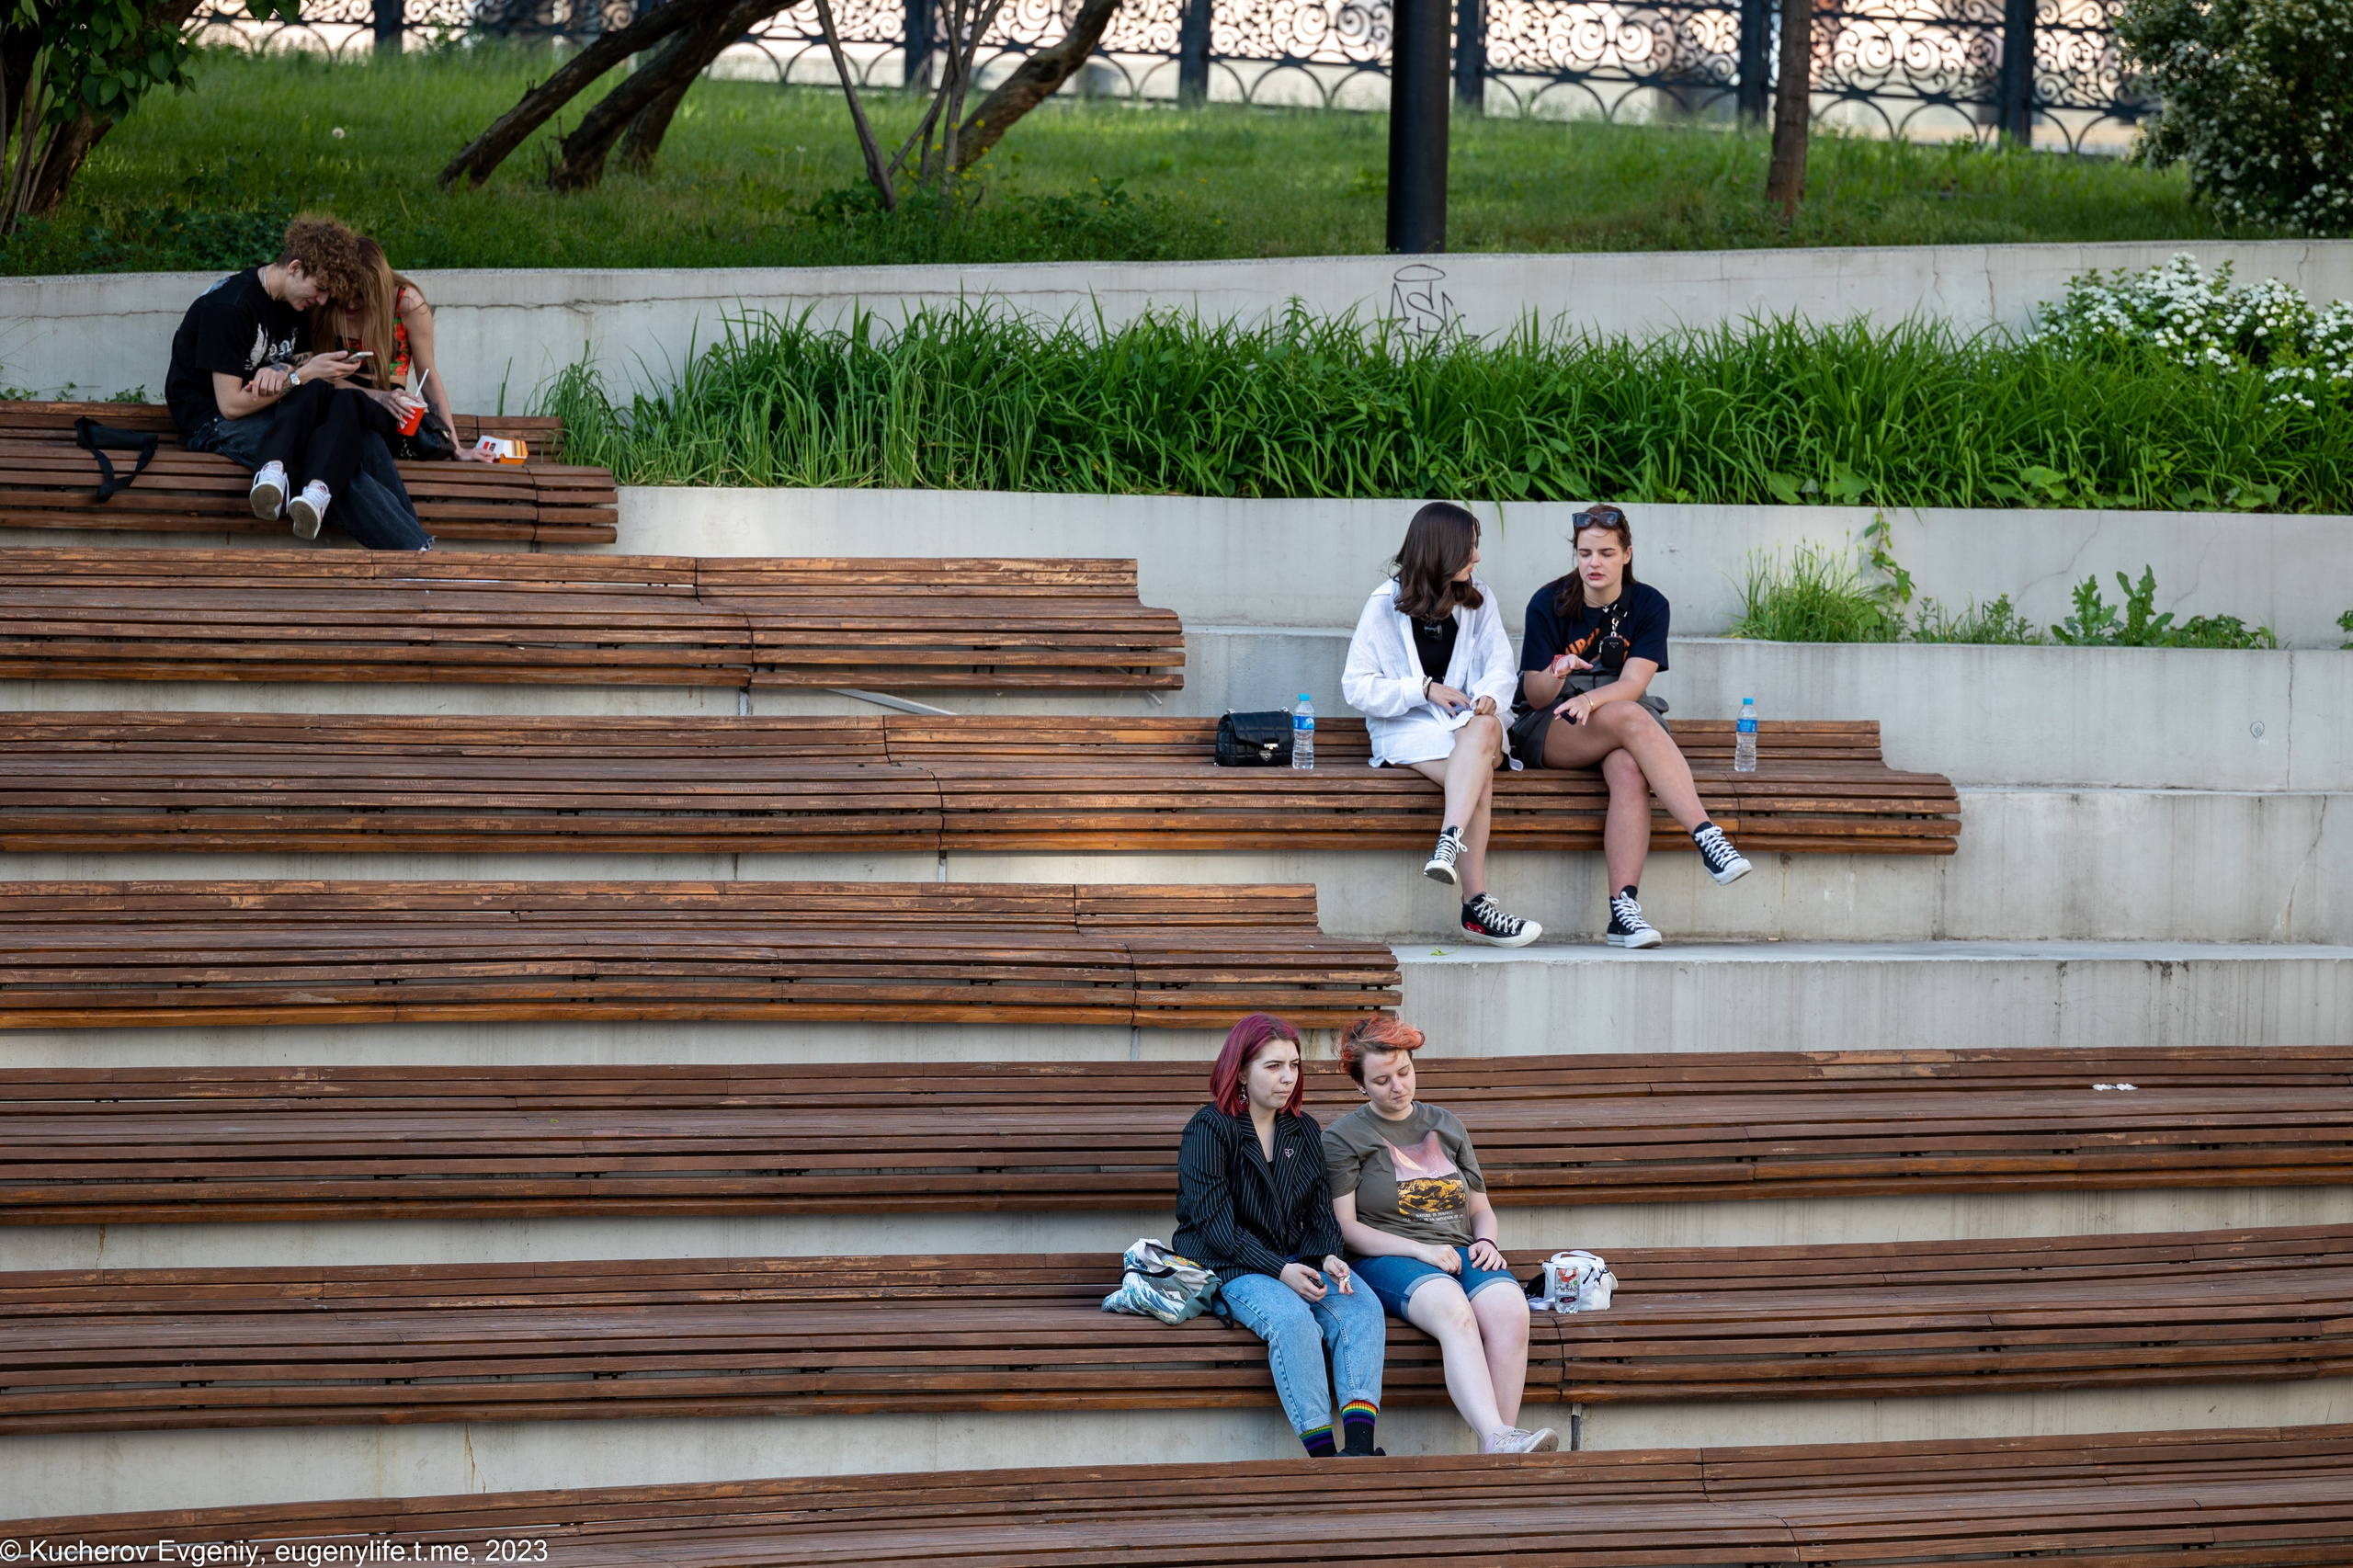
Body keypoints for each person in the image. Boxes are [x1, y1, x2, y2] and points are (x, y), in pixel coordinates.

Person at [1509, 506, 1750, 949]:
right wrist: (1560, 673)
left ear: (1627, 554)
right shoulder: (1548, 602)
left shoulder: (1649, 604)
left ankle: (1624, 911)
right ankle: (1708, 837)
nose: (1593, 563)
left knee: (1628, 768)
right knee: (1631, 717)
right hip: (1553, 725)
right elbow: (1537, 696)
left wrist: (1592, 699)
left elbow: (1634, 683)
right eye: (1584, 553)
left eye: (1605, 552)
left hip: (1617, 720)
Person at [1323, 1016, 1559, 1456]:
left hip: (1460, 1252)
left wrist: (1486, 1242)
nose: (1397, 1087)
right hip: (1388, 1256)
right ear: (1360, 1085)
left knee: (1511, 1311)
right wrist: (1420, 1249)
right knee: (1454, 1310)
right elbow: (1347, 1230)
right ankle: (1500, 1437)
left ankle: (1501, 1447)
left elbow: (1480, 1209)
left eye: (1405, 1072)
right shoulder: (1343, 1137)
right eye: (1381, 1080)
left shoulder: (1446, 1124)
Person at [1174, 1012, 1387, 1459]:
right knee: (1293, 1322)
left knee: (1361, 1307)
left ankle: (1361, 1453)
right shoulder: (1208, 1130)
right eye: (1273, 1066)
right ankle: (1325, 1460)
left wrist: (1328, 1256)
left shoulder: (1303, 1129)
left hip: (1295, 1257)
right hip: (1230, 1263)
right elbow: (1216, 1228)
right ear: (1242, 1071)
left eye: (1293, 1065)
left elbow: (1321, 1211)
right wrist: (1281, 1269)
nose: (1287, 1077)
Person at [165, 215, 432, 550]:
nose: (321, 302)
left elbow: (306, 369)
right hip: (213, 422)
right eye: (320, 290)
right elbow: (230, 406)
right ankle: (417, 556)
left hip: (276, 409)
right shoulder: (230, 308)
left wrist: (377, 396)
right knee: (327, 461)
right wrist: (299, 376)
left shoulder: (294, 305)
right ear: (294, 267)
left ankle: (422, 547)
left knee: (360, 438)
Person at [1342, 502, 1542, 948]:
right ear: (1441, 550)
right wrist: (1424, 689)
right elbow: (1356, 686)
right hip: (1408, 729)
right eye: (1470, 547)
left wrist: (1491, 693)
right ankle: (1477, 906)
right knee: (1480, 776)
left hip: (1469, 725)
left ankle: (1448, 843)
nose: (1477, 557)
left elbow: (1500, 666)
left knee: (1487, 731)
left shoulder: (1479, 598)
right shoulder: (1383, 605)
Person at [313, 235, 486, 462]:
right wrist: (378, 397)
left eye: (361, 295)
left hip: (388, 416)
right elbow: (318, 378)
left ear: (379, 288)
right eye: (345, 293)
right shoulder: (324, 304)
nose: (351, 304)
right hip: (337, 405)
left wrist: (456, 449)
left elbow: (428, 377)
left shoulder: (407, 304)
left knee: (366, 445)